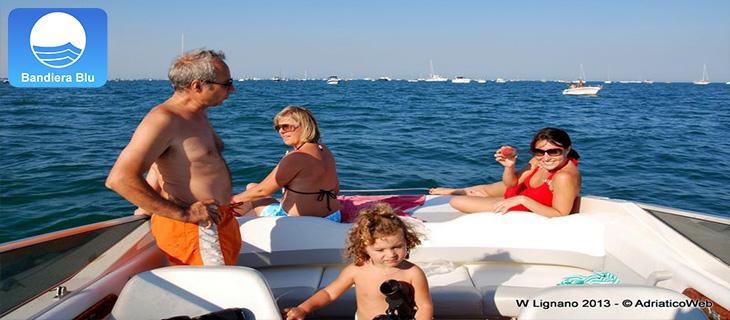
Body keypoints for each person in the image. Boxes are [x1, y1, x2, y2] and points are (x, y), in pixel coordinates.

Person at [106, 49, 241, 265]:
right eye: (227, 83)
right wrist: (183, 214)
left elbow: (161, 165)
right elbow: (119, 179)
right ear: (197, 86)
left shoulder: (198, 114)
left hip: (217, 221)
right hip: (196, 230)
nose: (232, 89)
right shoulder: (164, 119)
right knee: (212, 294)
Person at [282, 202, 433, 320]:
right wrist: (303, 309)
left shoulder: (413, 273)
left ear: (407, 241)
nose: (391, 254)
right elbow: (329, 293)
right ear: (364, 248)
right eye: (380, 250)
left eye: (398, 246)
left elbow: (424, 306)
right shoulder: (357, 270)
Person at [430, 127, 581, 217]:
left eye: (554, 152)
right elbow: (512, 183)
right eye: (539, 152)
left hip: (523, 203)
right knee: (485, 189)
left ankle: (460, 193)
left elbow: (560, 214)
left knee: (456, 201)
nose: (546, 158)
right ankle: (457, 190)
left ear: (567, 149)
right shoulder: (538, 161)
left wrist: (521, 200)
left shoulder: (564, 176)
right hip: (519, 193)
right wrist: (509, 166)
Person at [231, 106, 342, 221]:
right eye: (278, 128)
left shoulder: (296, 156)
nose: (281, 131)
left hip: (297, 221)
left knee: (253, 196)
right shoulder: (325, 150)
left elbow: (262, 191)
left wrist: (232, 200)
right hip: (333, 217)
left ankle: (223, 224)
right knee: (251, 187)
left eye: (286, 126)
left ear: (305, 127)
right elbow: (336, 189)